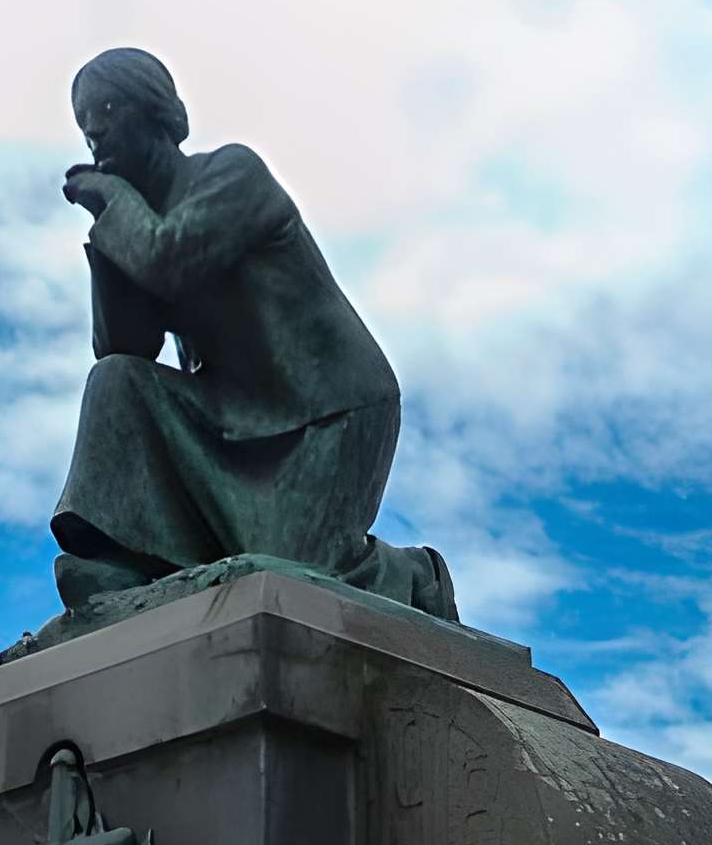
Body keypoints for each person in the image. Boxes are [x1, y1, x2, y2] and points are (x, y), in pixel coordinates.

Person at [50, 48, 458, 627]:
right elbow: (124, 347)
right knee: (115, 380)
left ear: (159, 112)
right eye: (84, 118)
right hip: (228, 420)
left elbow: (171, 260)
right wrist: (108, 240)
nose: (93, 129)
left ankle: (408, 576)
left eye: (109, 107)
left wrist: (114, 204)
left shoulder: (232, 174)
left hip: (328, 417)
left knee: (287, 579)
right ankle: (118, 559)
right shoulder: (135, 223)